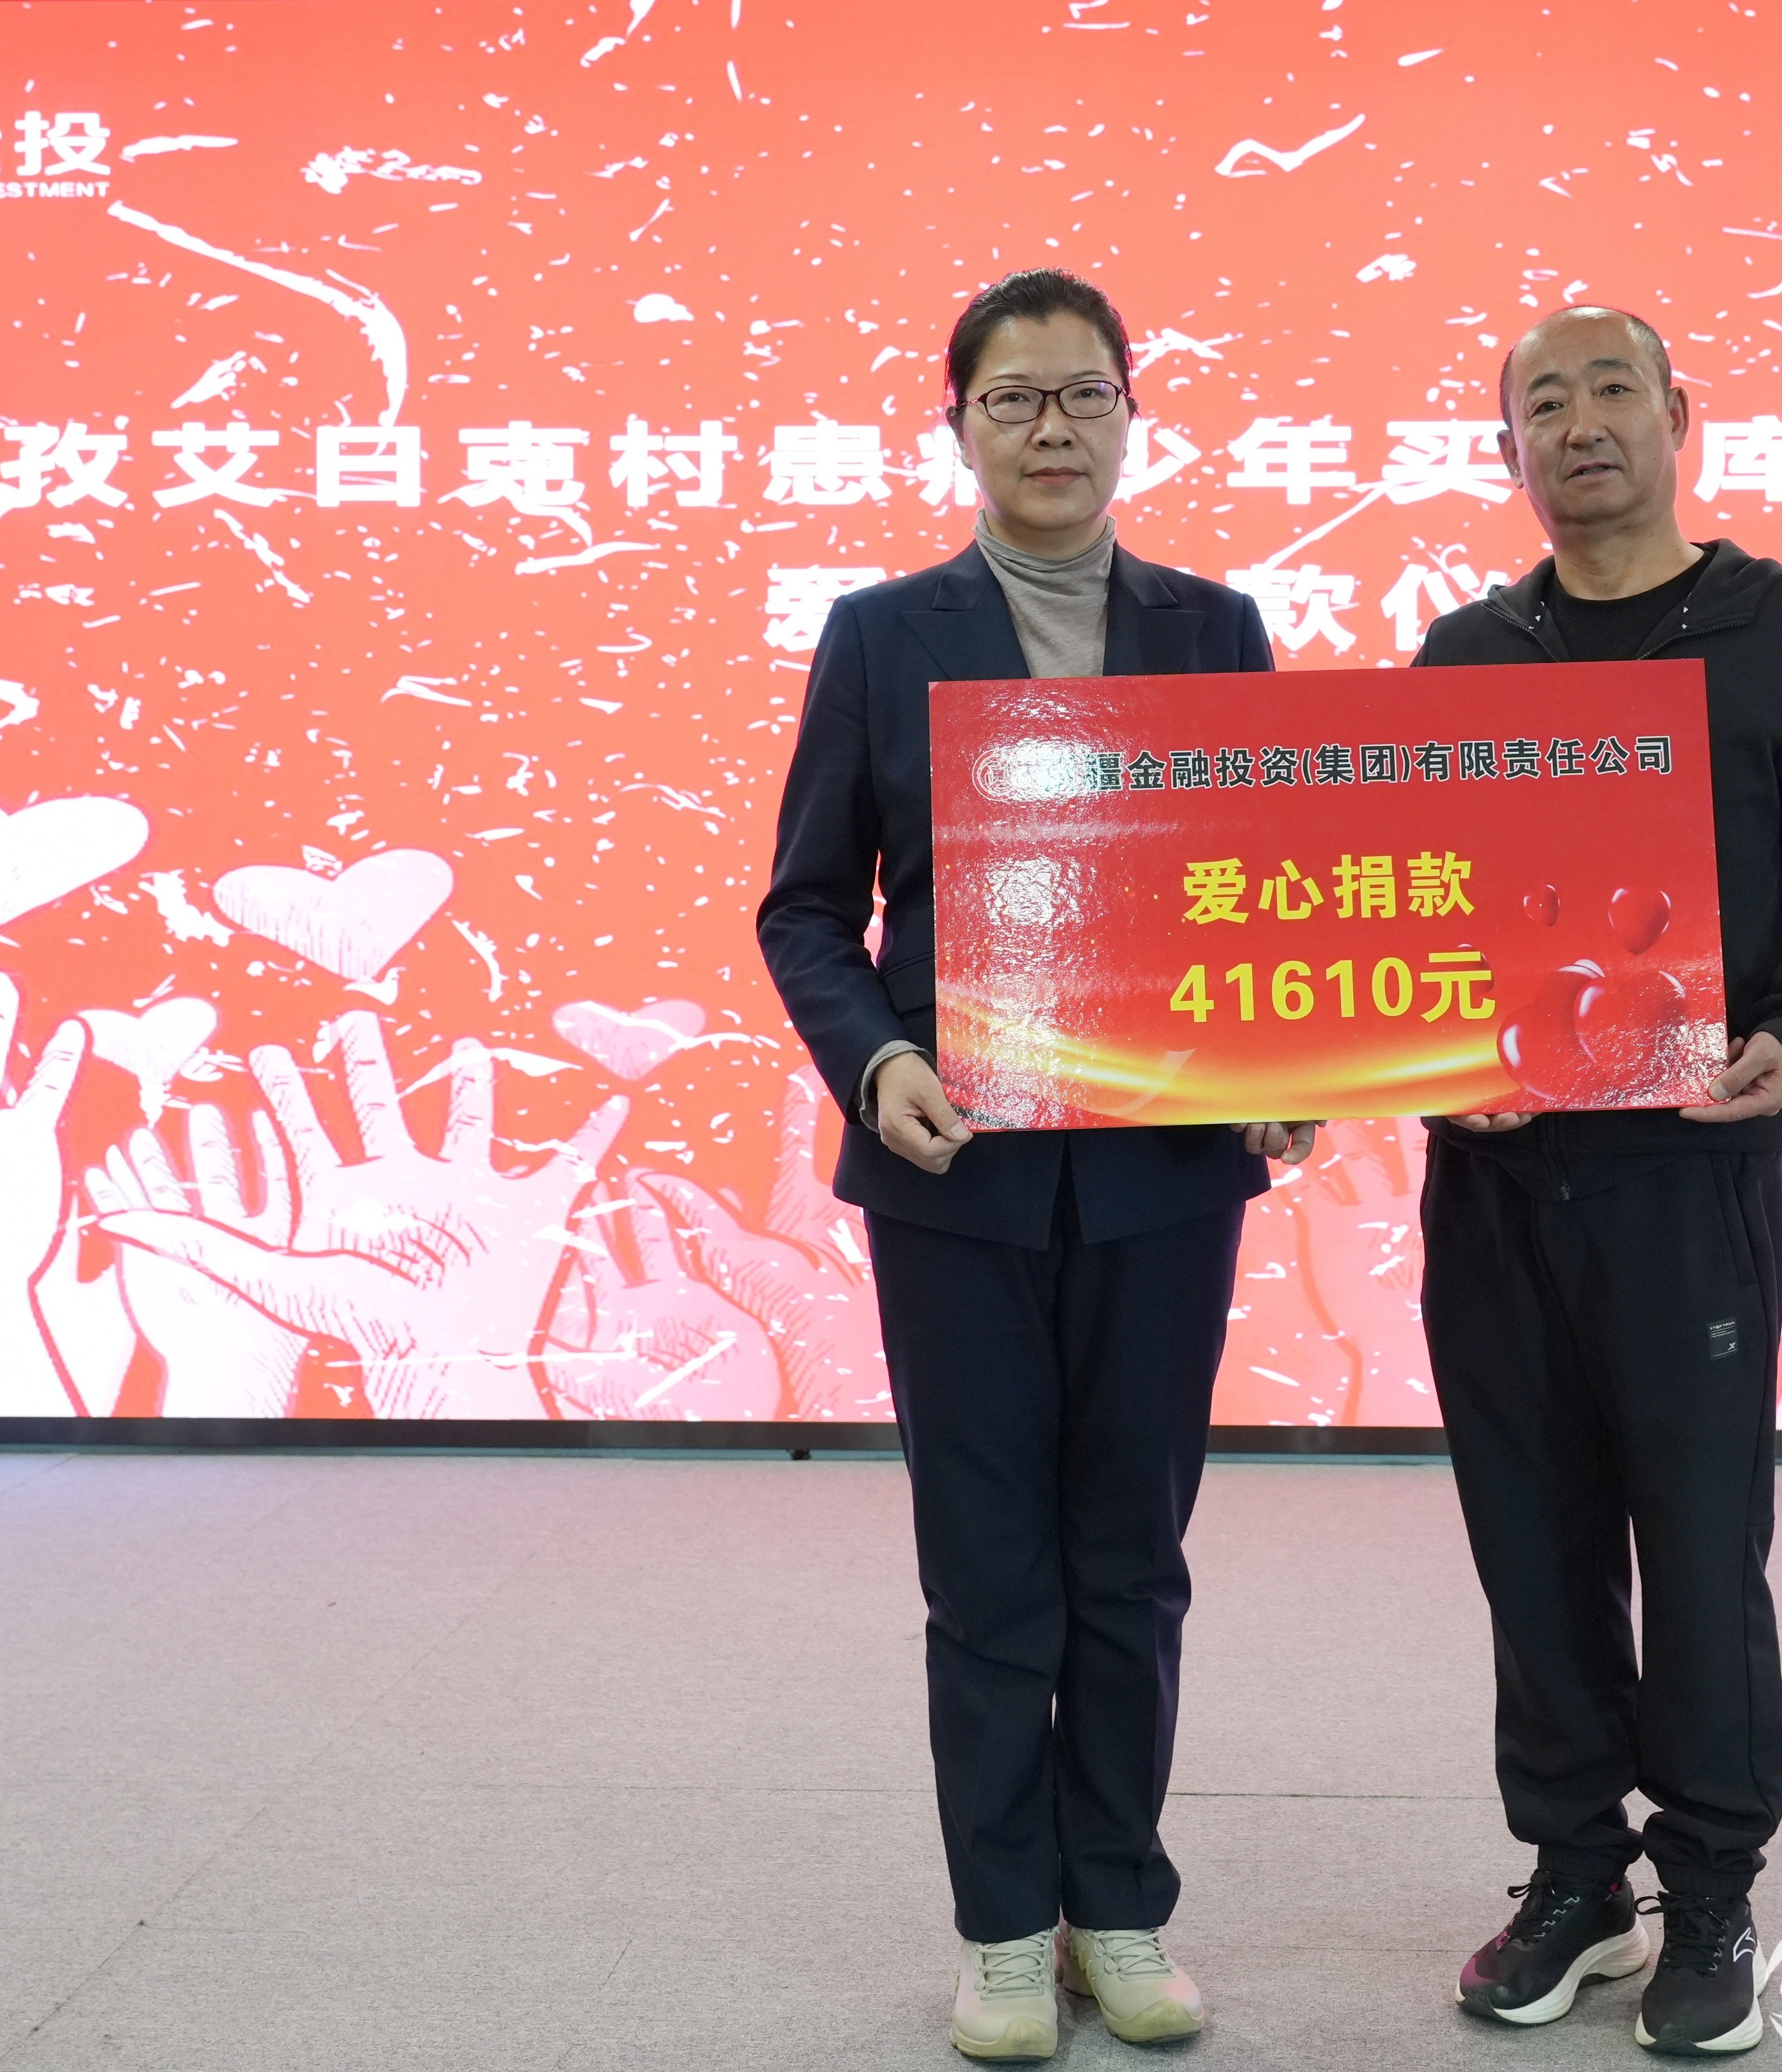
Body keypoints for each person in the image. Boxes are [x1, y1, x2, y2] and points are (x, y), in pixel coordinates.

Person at [756, 267, 1312, 2062]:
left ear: (1133, 417)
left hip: (1164, 1175)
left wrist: (1299, 1068)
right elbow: (806, 908)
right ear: (959, 427)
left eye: (1084, 395)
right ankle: (1005, 1924)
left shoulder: (1216, 628)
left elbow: (1281, 886)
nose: (1052, 428)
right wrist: (880, 1061)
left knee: (1131, 1556)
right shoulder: (881, 634)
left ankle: (1119, 1904)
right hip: (961, 1170)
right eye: (1015, 399)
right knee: (991, 1561)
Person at [1408, 307, 1782, 2055]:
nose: (1579, 425)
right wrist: (1427, 1059)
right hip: (1496, 1183)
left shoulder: (1781, 635)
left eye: (1611, 389)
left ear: (1679, 416)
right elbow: (1405, 906)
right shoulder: (1465, 656)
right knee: (1530, 1540)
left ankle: (1711, 1884)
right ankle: (1575, 1871)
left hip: (1689, 1176)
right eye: (1542, 403)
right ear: (1507, 450)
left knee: (1700, 1546)